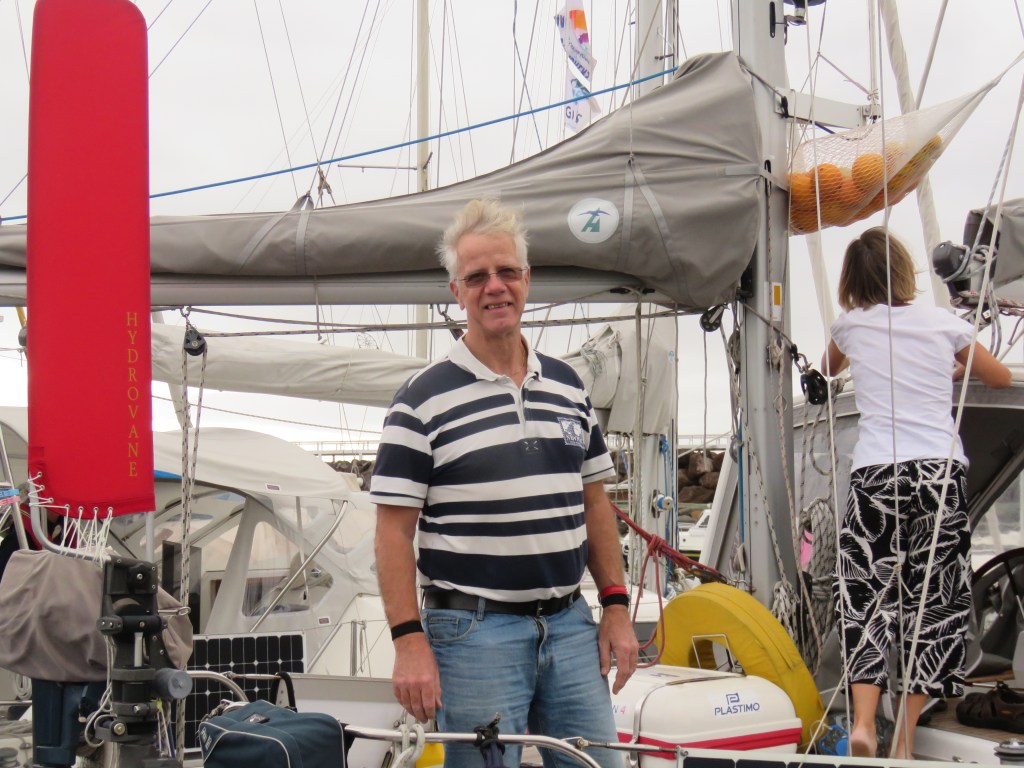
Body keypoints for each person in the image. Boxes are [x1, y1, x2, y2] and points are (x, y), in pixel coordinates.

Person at [371, 199, 639, 768]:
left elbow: (594, 504)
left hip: (570, 626)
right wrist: (407, 640)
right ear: (456, 291)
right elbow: (393, 533)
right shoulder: (419, 402)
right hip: (473, 635)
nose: (495, 287)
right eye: (477, 277)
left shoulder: (569, 387)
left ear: (527, 279)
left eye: (507, 272)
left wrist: (616, 606)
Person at [821, 227, 1012, 760]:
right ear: (905, 272)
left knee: (867, 598)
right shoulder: (943, 323)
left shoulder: (849, 326)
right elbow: (998, 378)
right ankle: (904, 739)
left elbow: (827, 369)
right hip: (936, 475)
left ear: (851, 281)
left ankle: (864, 723)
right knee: (936, 606)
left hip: (876, 475)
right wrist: (951, 367)